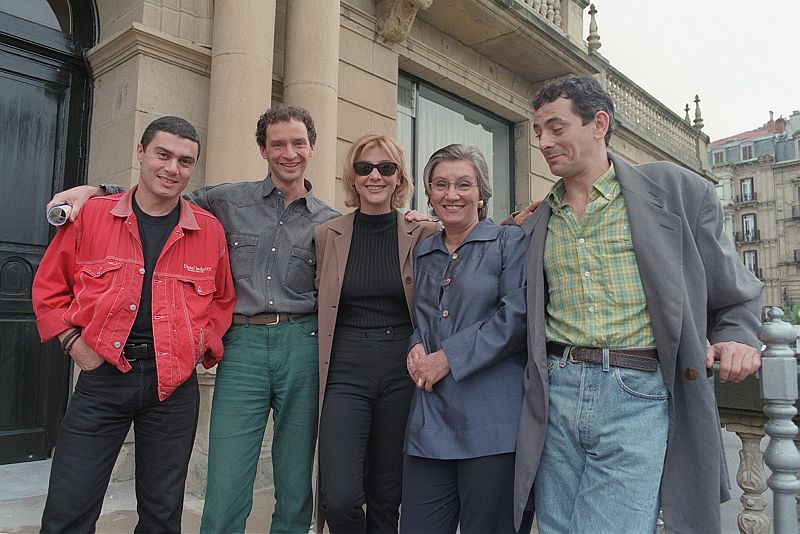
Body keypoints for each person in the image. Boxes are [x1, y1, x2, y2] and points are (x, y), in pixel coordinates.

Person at [47, 105, 340, 533]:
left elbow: (370, 249)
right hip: (243, 346)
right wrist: (95, 189)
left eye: (298, 143)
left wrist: (416, 223)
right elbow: (159, 192)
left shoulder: (330, 223)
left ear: (312, 147)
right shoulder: (225, 200)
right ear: (263, 150)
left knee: (295, 475)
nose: (289, 152)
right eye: (278, 143)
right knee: (227, 473)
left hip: (301, 342)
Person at [512, 75, 764, 533]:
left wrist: (738, 338)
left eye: (556, 127)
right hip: (556, 392)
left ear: (598, 124)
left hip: (638, 393)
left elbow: (733, 292)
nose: (544, 142)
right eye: (538, 132)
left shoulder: (674, 192)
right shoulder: (536, 220)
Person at [32, 116, 236, 533]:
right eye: (162, 154)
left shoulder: (208, 231)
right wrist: (73, 342)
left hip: (173, 385)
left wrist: (198, 344)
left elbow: (222, 300)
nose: (172, 169)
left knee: (162, 516)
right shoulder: (91, 217)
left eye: (184, 161)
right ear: (140, 153)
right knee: (68, 509)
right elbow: (50, 288)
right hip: (103, 378)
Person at [401, 144, 532, 534]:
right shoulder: (423, 252)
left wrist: (447, 358)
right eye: (440, 185)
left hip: (492, 421)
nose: (451, 194)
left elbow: (517, 315)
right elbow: (420, 319)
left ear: (481, 193)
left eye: (463, 184)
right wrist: (415, 347)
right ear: (428, 193)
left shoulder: (510, 243)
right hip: (430, 420)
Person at [313, 134, 438, 533]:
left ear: (399, 177)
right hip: (345, 367)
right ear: (352, 175)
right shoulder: (327, 234)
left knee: (387, 495)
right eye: (365, 167)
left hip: (401, 367)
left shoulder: (422, 235)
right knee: (340, 496)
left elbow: (471, 241)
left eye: (387, 168)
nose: (375, 176)